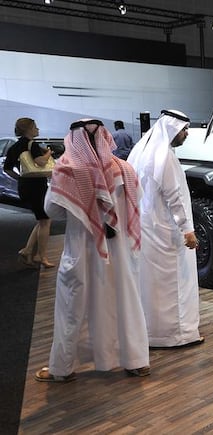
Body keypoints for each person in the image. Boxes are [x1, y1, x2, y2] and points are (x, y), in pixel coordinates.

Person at [34, 119, 150, 382]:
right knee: (126, 303)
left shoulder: (66, 171)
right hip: (120, 253)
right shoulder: (125, 169)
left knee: (72, 308)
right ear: (105, 136)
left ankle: (61, 369)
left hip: (83, 252)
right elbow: (137, 202)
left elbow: (52, 211)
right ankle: (136, 362)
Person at [126, 109, 204, 348]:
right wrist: (187, 229)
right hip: (167, 231)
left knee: (151, 284)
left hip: (147, 228)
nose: (187, 134)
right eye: (184, 130)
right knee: (175, 283)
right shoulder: (164, 156)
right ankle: (179, 334)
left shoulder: (142, 150)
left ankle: (151, 333)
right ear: (172, 129)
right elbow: (175, 197)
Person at [2, 118, 55, 268]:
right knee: (45, 220)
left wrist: (20, 178)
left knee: (43, 220)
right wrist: (49, 153)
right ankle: (41, 256)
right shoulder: (32, 145)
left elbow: (7, 169)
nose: (37, 130)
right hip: (37, 186)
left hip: (24, 185)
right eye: (35, 127)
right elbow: (41, 162)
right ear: (29, 129)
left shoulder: (15, 147)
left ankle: (28, 250)